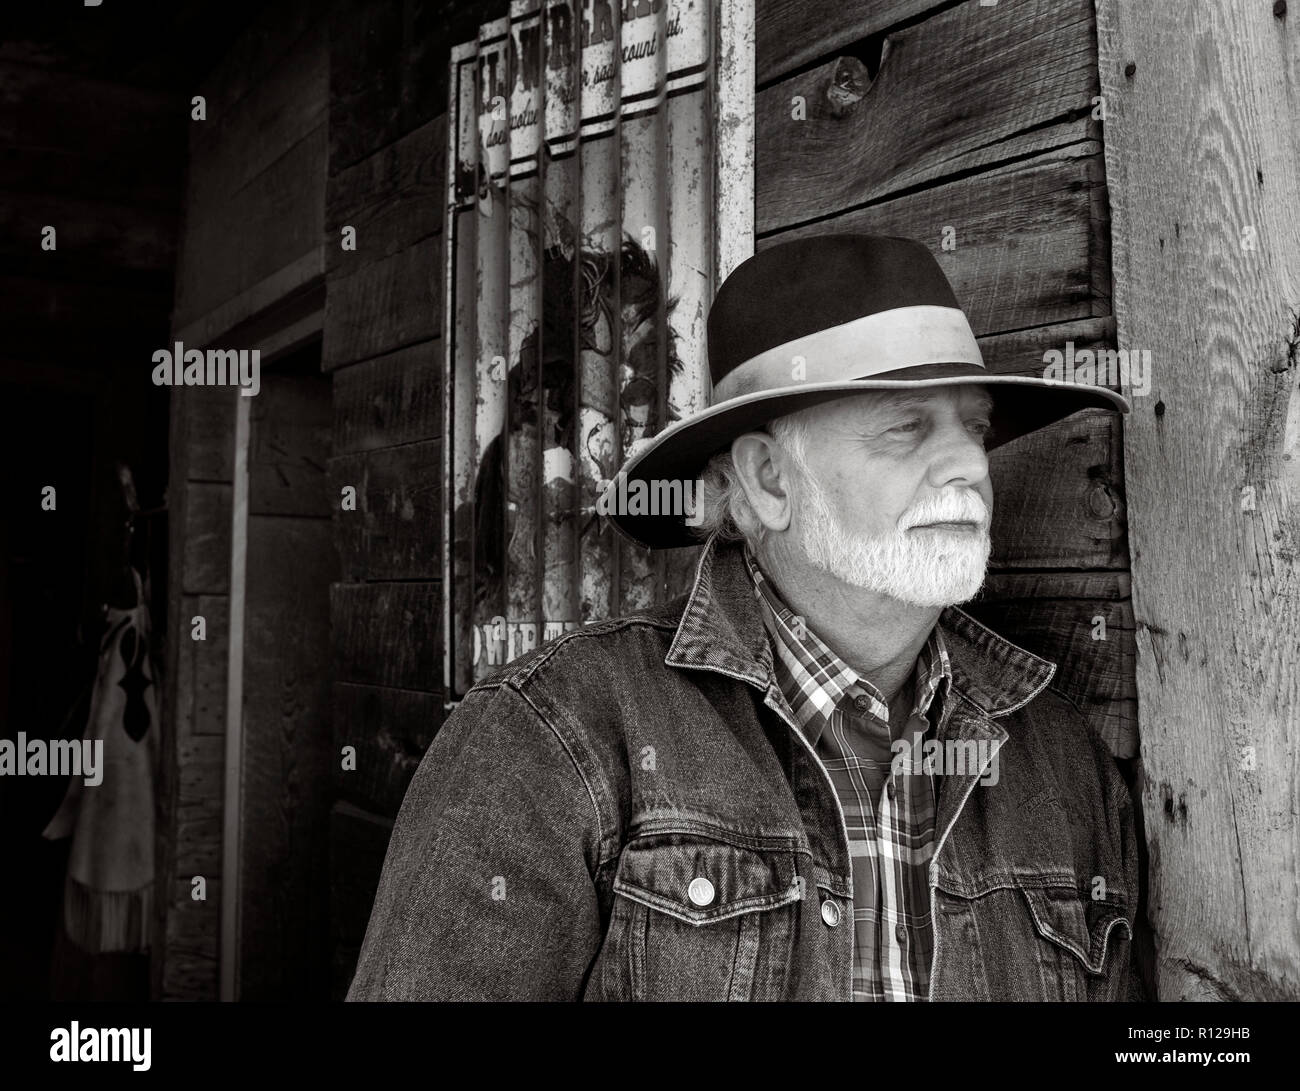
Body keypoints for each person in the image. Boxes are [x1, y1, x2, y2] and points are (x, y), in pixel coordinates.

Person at [346, 233, 1140, 1001]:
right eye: (907, 427)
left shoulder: (1067, 769)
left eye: (974, 426)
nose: (971, 464)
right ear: (766, 479)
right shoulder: (555, 739)